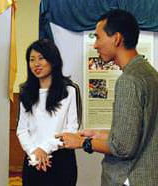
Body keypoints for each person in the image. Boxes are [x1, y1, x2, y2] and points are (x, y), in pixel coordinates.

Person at [58, 9, 158, 186]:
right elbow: (138, 135)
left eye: (98, 37)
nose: (95, 45)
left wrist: (83, 142)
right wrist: (100, 134)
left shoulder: (129, 80)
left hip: (128, 178)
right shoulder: (149, 74)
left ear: (117, 38)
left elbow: (123, 147)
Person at [16, 39, 79, 186]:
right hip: (33, 160)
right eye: (31, 60)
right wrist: (34, 152)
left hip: (61, 160)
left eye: (41, 58)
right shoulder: (26, 92)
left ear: (53, 60)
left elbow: (72, 129)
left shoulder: (69, 91)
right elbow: (22, 130)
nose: (36, 64)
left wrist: (44, 149)